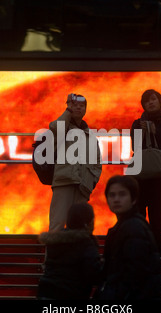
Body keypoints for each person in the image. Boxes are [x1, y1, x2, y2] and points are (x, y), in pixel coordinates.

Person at [95, 175, 161, 300]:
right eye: (112, 195)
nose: (116, 199)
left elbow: (136, 275)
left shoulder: (133, 228)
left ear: (133, 199)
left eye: (122, 194)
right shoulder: (126, 226)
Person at [130, 89, 161, 258]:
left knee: (158, 218)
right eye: (146, 101)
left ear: (160, 101)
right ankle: (139, 252)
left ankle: (158, 254)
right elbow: (135, 148)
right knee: (138, 217)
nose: (150, 103)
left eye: (153, 99)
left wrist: (155, 131)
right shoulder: (137, 124)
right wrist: (143, 132)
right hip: (139, 178)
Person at [48, 93, 102, 232]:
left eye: (82, 105)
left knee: (80, 228)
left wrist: (92, 180)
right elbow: (55, 127)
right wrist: (68, 110)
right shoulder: (63, 129)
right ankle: (54, 254)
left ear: (85, 109)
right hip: (64, 182)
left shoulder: (90, 136)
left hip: (83, 186)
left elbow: (97, 162)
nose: (78, 107)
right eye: (75, 105)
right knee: (57, 225)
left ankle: (77, 254)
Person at [37, 203, 101, 299]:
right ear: (88, 222)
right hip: (71, 294)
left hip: (46, 292)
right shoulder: (86, 243)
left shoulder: (55, 241)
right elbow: (94, 275)